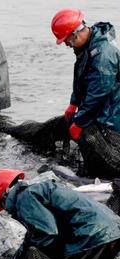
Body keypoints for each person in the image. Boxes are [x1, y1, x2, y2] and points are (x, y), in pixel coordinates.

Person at [0, 169, 120, 259]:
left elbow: (48, 233)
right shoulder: (36, 190)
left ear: (5, 195)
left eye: (2, 205)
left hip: (94, 235)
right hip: (112, 228)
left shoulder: (25, 198)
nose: (6, 209)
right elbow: (37, 232)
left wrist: (32, 258)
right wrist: (20, 254)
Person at [51, 8, 120, 178]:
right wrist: (73, 103)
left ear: (76, 33)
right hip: (100, 106)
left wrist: (80, 122)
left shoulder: (103, 53)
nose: (67, 45)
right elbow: (81, 78)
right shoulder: (87, 46)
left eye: (68, 41)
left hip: (112, 110)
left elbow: (99, 92)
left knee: (106, 145)